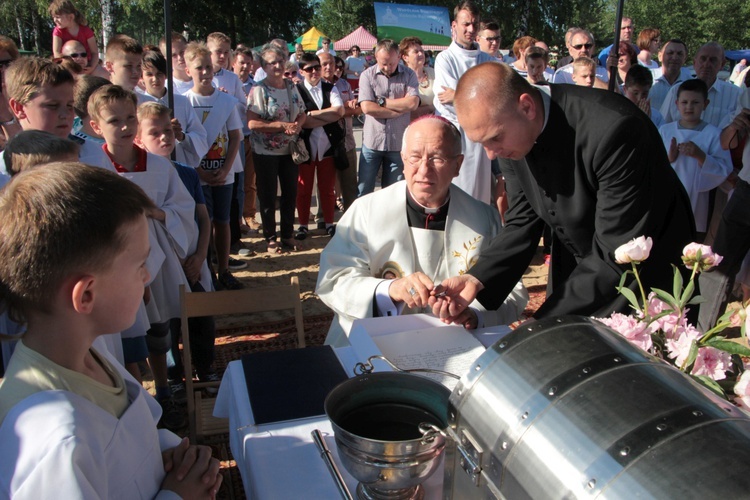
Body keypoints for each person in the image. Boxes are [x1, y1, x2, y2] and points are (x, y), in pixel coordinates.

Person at [0, 162, 221, 498]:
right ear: (86, 294)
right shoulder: (54, 436)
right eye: (139, 265)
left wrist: (172, 455)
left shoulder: (93, 354)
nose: (147, 277)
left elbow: (132, 438)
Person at [431, 62, 695, 322]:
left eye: (495, 138)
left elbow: (616, 251)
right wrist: (477, 278)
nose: (490, 153)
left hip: (644, 275)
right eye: (482, 143)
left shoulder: (616, 130)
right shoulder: (508, 131)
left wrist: (542, 323)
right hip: (578, 263)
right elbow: (523, 220)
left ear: (527, 106)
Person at [317, 116, 528, 347]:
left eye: (437, 158)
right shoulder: (366, 211)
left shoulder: (484, 218)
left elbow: (512, 289)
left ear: (458, 165)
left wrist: (476, 314)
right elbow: (333, 280)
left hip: (455, 343)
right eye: (415, 157)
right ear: (403, 160)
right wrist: (388, 290)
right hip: (377, 342)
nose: (424, 170)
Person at [89, 84, 197, 428]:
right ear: (95, 127)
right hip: (114, 258)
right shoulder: (90, 165)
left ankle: (165, 389)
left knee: (160, 327)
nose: (125, 126)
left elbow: (183, 207)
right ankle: (133, 397)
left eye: (130, 118)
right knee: (124, 332)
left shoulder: (159, 166)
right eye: (114, 121)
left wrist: (156, 212)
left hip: (156, 254)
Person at [135, 101, 220, 394]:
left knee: (201, 317)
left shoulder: (187, 172)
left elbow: (203, 218)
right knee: (165, 322)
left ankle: (205, 369)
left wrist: (199, 257)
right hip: (158, 264)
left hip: (191, 258)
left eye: (169, 131)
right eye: (155, 133)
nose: (165, 138)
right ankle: (173, 378)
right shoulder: (136, 175)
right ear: (139, 139)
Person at [183, 42, 244, 289]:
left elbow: (236, 136)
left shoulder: (226, 102)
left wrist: (226, 169)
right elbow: (184, 142)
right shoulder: (183, 101)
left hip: (223, 172)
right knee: (202, 222)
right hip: (196, 173)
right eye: (200, 68)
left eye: (209, 67)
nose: (206, 73)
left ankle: (224, 270)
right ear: (188, 71)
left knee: (223, 221)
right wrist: (199, 171)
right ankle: (206, 271)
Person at [697, 88, 750, 331]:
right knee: (718, 262)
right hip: (747, 186)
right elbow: (726, 141)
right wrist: (736, 127)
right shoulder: (747, 94)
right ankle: (699, 336)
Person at [432, 0, 495, 203]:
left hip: (482, 137)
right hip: (457, 135)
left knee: (481, 196)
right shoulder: (445, 59)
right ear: (454, 25)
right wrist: (476, 98)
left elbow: (495, 95)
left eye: (474, 24)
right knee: (456, 194)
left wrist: (459, 94)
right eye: (465, 24)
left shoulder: (488, 60)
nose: (470, 29)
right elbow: (446, 99)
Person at [247, 44, 307, 254]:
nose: (277, 66)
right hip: (265, 152)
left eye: (280, 61)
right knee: (268, 195)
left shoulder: (292, 87)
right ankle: (271, 237)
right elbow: (252, 123)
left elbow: (302, 112)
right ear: (264, 66)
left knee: (290, 193)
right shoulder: (259, 89)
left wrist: (298, 125)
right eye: (272, 62)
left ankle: (288, 235)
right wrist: (281, 126)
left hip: (289, 150)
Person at [659, 79, 733, 238]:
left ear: (705, 104)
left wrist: (700, 155)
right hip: (668, 199)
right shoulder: (665, 131)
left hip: (697, 200)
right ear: (677, 103)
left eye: (695, 102)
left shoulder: (713, 134)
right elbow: (653, 165)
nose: (689, 107)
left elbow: (723, 169)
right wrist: (669, 158)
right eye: (684, 102)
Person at [357, 38, 419, 196]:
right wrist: (398, 110)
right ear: (376, 57)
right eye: (383, 63)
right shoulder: (367, 75)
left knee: (393, 193)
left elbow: (412, 103)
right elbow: (367, 107)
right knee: (364, 191)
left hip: (397, 144)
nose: (388, 67)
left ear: (398, 57)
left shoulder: (409, 75)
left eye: (391, 63)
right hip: (372, 142)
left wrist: (382, 102)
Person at [293, 53, 344, 240]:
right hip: (305, 147)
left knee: (327, 188)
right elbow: (299, 121)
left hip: (327, 146)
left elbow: (339, 112)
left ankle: (329, 223)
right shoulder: (296, 90)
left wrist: (311, 115)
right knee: (304, 189)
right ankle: (304, 225)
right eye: (309, 69)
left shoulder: (331, 88)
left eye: (317, 67)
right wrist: (324, 116)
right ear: (301, 71)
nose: (314, 71)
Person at [137, 47, 208, 169]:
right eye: (149, 74)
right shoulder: (139, 104)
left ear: (165, 75)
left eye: (159, 74)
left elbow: (200, 136)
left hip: (181, 164)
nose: (155, 79)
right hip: (152, 167)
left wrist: (181, 136)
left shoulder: (181, 102)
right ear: (142, 77)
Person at [49, 0, 99, 72]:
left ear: (71, 17)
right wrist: (68, 68)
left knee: (102, 73)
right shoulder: (58, 31)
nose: (55, 20)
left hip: (86, 65)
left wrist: (91, 67)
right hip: (68, 67)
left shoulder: (86, 31)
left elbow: (94, 53)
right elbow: (56, 53)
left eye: (58, 17)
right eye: (53, 17)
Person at [648, 39, 690, 111]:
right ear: (660, 56)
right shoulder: (647, 78)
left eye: (679, 54)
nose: (674, 57)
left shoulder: (690, 83)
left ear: (685, 58)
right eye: (670, 53)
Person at [399, 36, 434, 120]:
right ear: (405, 57)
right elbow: (406, 112)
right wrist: (431, 108)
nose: (421, 54)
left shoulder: (433, 72)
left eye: (421, 51)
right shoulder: (401, 78)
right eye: (416, 52)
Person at [0, 35, 21, 143]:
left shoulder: (26, 98)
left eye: (8, 63)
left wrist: (7, 118)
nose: (3, 69)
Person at [159, 31, 193, 95]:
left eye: (182, 52)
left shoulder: (203, 79)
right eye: (173, 55)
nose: (180, 58)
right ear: (166, 59)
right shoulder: (166, 87)